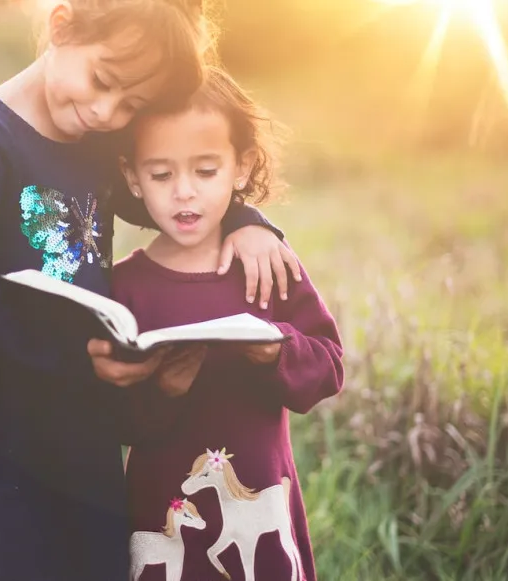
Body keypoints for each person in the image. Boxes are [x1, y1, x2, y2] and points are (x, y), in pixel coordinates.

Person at [0, 1, 300, 579]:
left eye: (131, 105)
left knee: (90, 554)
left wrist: (249, 222)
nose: (106, 111)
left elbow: (166, 201)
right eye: (103, 81)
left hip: (81, 410)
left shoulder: (96, 141)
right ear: (60, 25)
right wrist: (77, 360)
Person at [109, 66, 345, 581]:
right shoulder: (123, 288)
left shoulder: (267, 264)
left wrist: (276, 350)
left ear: (242, 167)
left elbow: (329, 365)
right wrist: (163, 391)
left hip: (259, 494)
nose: (184, 193)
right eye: (161, 174)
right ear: (132, 176)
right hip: (161, 506)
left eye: (206, 171)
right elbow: (112, 420)